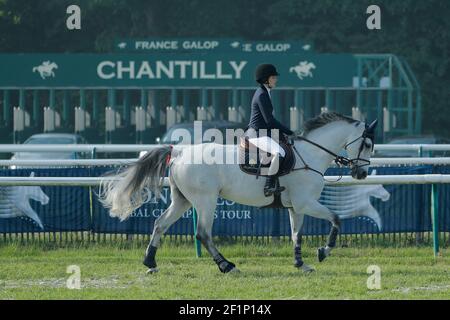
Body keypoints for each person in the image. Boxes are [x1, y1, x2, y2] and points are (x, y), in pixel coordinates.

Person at [245, 63, 295, 197]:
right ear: (266, 79)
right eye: (273, 77)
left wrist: (282, 134)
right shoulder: (262, 94)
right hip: (257, 134)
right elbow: (270, 121)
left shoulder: (265, 92)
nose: (276, 79)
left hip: (263, 133)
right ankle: (268, 186)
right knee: (279, 153)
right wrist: (290, 132)